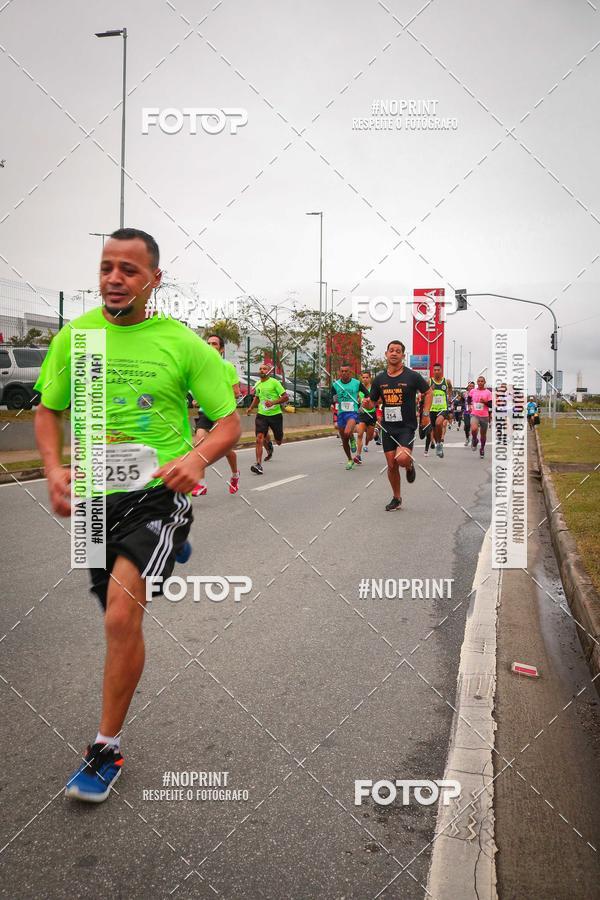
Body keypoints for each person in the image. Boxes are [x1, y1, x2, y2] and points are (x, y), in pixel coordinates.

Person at [34, 228, 240, 802]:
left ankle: (105, 748)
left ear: (154, 279)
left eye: (129, 269)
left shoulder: (183, 344)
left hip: (158, 491)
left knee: (120, 618)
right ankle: (167, 549)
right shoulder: (76, 338)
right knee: (111, 608)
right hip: (97, 496)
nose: (114, 279)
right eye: (106, 267)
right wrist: (53, 468)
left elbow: (228, 424)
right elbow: (49, 412)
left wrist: (198, 458)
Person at [363, 340, 432, 510]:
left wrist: (425, 414)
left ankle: (409, 465)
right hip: (388, 427)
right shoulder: (380, 379)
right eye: (391, 350)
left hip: (406, 427)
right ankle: (397, 497)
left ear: (402, 355)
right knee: (391, 464)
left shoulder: (412, 376)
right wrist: (367, 404)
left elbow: (428, 392)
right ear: (386, 354)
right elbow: (373, 402)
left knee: (401, 459)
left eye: (398, 351)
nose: (394, 353)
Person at [191, 334, 241, 495]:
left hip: (224, 413)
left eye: (214, 344)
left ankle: (235, 474)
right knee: (199, 441)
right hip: (206, 412)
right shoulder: (202, 367)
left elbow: (236, 392)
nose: (210, 345)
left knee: (225, 450)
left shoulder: (228, 367)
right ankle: (201, 483)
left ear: (221, 349)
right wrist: (198, 400)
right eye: (208, 343)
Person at [246, 362, 288, 474]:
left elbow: (285, 397)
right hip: (262, 415)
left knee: (279, 441)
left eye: (264, 369)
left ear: (268, 371)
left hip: (275, 415)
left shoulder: (274, 382)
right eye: (260, 369)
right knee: (259, 438)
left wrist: (273, 402)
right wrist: (250, 408)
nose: (262, 370)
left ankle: (270, 444)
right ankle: (258, 464)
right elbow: (257, 397)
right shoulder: (258, 383)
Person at [331, 363, 370, 469]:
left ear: (350, 372)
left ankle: (352, 438)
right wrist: (334, 411)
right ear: (340, 372)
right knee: (344, 440)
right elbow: (334, 401)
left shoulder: (357, 383)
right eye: (342, 371)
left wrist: (363, 404)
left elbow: (367, 395)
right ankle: (349, 459)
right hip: (341, 413)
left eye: (346, 371)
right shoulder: (336, 385)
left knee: (348, 432)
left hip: (353, 412)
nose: (343, 373)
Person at [427, 363, 453, 459]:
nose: (437, 371)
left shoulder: (446, 381)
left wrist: (449, 397)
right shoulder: (429, 381)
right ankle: (438, 444)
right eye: (435, 370)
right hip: (432, 408)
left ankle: (439, 444)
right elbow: (425, 393)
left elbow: (450, 388)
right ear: (433, 371)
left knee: (439, 424)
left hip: (443, 408)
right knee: (434, 428)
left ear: (441, 370)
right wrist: (430, 390)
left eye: (438, 370)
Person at [354, 369, 377, 463]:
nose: (365, 379)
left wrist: (369, 403)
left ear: (370, 378)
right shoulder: (359, 388)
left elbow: (376, 401)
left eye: (367, 377)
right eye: (363, 377)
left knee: (370, 437)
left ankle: (376, 433)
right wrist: (359, 404)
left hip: (371, 414)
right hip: (362, 414)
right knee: (359, 434)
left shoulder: (374, 389)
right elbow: (357, 399)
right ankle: (358, 455)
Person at [469, 375, 493, 457]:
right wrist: (469, 405)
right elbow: (469, 398)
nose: (480, 383)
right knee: (474, 429)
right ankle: (475, 439)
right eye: (478, 381)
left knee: (483, 434)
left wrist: (485, 402)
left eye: (482, 381)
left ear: (484, 382)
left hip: (484, 416)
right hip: (474, 414)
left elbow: (491, 405)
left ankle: (482, 448)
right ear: (477, 382)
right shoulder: (473, 391)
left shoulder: (488, 393)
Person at [463, 381, 474, 446]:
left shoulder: (476, 393)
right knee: (467, 426)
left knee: (473, 427)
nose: (471, 387)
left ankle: (473, 439)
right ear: (468, 387)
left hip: (474, 412)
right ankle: (467, 438)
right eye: (470, 386)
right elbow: (461, 402)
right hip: (466, 412)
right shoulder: (465, 394)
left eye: (472, 386)